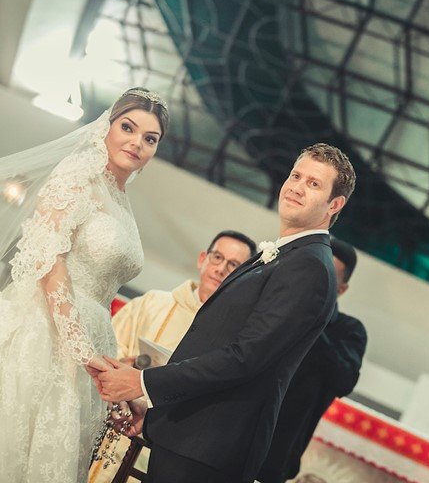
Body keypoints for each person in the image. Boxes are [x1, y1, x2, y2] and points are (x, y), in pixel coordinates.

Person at [0, 87, 169, 482]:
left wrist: (98, 356)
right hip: (41, 332)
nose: (136, 142)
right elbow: (47, 259)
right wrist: (78, 347)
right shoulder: (78, 176)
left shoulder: (121, 202)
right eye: (128, 127)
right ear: (107, 125)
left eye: (150, 138)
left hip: (93, 338)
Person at [96, 143, 357, 483]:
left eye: (313, 184)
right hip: (192, 434)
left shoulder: (309, 266)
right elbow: (216, 340)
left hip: (210, 448)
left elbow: (245, 357)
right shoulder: (288, 254)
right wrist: (168, 414)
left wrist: (142, 382)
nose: (296, 186)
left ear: (334, 205)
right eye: (296, 175)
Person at [87, 229, 255, 483]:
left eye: (233, 265)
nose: (220, 269)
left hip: (165, 443)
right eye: (217, 258)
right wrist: (127, 365)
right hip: (116, 419)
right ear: (202, 259)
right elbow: (109, 350)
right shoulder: (154, 303)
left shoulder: (235, 338)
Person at [257, 237, 367, 483]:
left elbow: (345, 380)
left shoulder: (349, 330)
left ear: (342, 289)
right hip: (232, 431)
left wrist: (312, 317)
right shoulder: (279, 303)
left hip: (277, 454)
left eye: (331, 273)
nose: (321, 277)